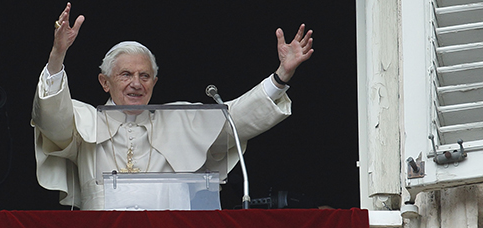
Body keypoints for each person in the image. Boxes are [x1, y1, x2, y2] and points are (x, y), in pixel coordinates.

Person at [31, 2, 313, 210]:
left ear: (154, 82)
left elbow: (235, 120)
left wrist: (280, 78)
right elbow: (52, 118)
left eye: (144, 76)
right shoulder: (85, 121)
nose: (136, 83)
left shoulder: (179, 120)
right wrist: (58, 56)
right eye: (125, 75)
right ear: (105, 82)